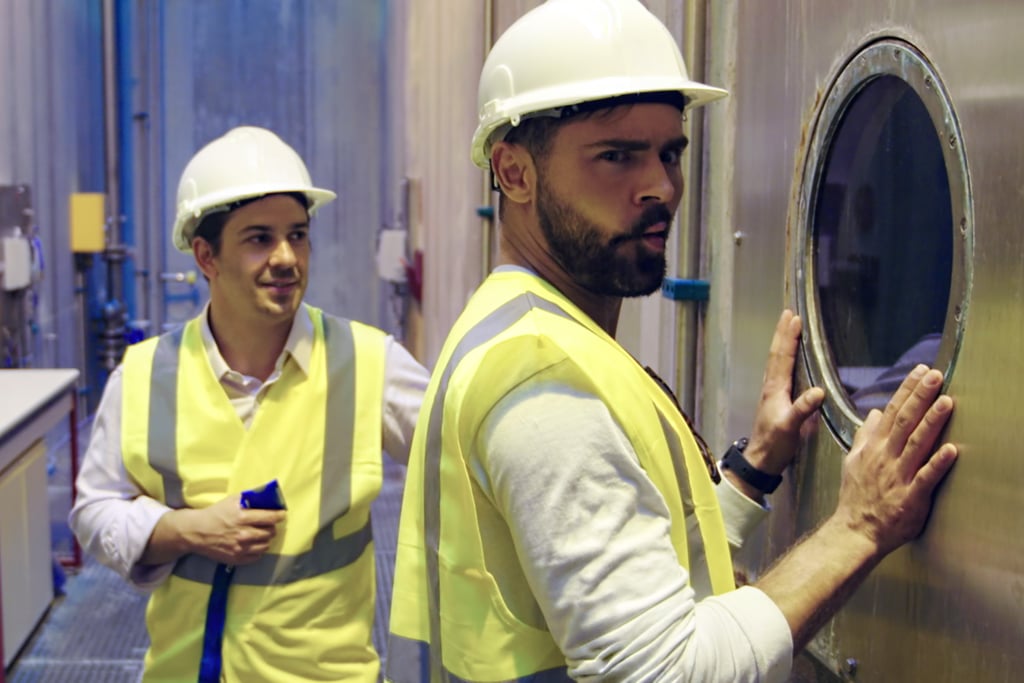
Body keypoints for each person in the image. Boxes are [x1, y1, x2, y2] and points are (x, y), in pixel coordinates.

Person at [384, 1, 958, 681]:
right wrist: (859, 524)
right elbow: (668, 670)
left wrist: (752, 472)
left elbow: (622, 565)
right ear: (514, 172)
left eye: (670, 153)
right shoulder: (539, 376)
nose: (660, 186)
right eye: (617, 156)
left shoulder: (526, 324)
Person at [70, 125, 429, 682]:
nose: (286, 258)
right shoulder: (143, 377)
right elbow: (95, 511)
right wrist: (187, 530)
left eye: (298, 235)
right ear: (206, 256)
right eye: (259, 238)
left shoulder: (369, 364)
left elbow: (459, 458)